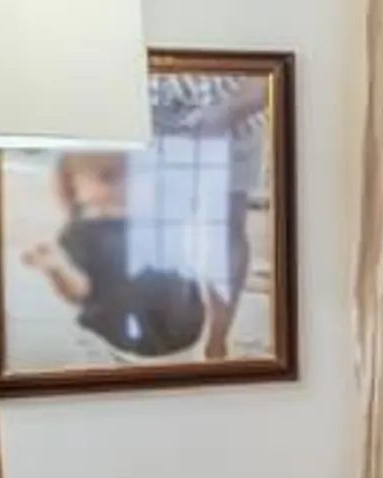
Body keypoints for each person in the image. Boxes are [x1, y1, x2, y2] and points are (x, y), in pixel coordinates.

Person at [19, 151, 230, 362]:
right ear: (74, 187)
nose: (128, 186)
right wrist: (57, 268)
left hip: (180, 334)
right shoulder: (82, 234)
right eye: (108, 178)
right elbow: (80, 292)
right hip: (120, 340)